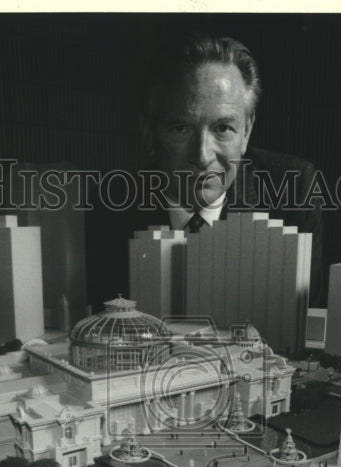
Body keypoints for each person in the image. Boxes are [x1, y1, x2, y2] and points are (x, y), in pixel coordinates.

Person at [85, 33, 325, 309]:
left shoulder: (294, 192)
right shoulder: (111, 206)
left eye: (223, 128)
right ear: (150, 135)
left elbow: (307, 327)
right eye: (181, 128)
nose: (202, 156)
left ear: (246, 132)